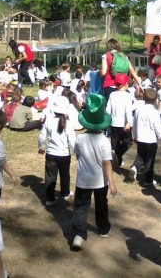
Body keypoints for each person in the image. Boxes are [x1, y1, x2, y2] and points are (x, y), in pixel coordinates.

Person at [70, 94, 118, 250]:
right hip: (100, 181)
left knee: (81, 207)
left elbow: (78, 155)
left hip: (83, 180)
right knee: (101, 204)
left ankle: (79, 235)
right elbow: (107, 163)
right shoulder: (104, 141)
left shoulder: (80, 139)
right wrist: (112, 184)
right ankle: (103, 228)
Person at [38, 96, 76, 206]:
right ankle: (65, 193)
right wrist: (75, 152)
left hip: (51, 153)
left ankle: (49, 199)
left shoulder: (48, 121)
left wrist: (41, 147)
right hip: (64, 154)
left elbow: (42, 136)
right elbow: (72, 140)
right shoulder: (68, 123)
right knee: (65, 174)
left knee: (50, 176)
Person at [129, 87, 161, 187]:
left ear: (143, 98)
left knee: (141, 156)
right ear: (156, 100)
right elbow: (157, 128)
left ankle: (135, 168)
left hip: (140, 138)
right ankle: (148, 180)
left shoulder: (138, 110)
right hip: (151, 140)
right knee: (149, 160)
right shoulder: (155, 112)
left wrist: (134, 136)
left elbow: (135, 124)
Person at [106, 73, 134, 169]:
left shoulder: (112, 94)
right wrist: (129, 122)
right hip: (124, 124)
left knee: (115, 143)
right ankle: (117, 154)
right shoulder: (127, 95)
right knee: (128, 143)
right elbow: (128, 110)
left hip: (113, 123)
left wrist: (107, 121)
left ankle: (117, 159)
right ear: (126, 84)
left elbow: (108, 109)